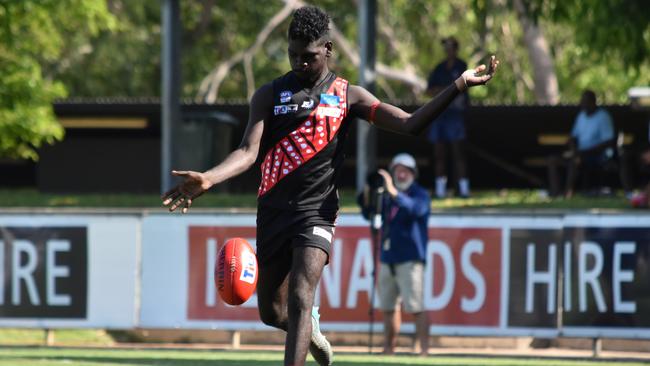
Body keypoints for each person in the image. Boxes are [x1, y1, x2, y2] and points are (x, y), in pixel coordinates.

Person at [162, 6, 499, 366]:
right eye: (293, 55)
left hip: (316, 213)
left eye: (308, 56)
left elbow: (410, 124)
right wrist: (210, 178)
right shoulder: (269, 95)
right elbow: (247, 152)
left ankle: (305, 325)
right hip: (273, 212)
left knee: (301, 297)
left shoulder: (348, 96)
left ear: (328, 49)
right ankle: (312, 329)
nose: (299, 63)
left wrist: (459, 85)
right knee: (273, 313)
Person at [358, 153, 430, 356]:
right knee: (388, 307)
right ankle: (389, 348)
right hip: (387, 257)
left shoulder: (420, 194)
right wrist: (369, 192)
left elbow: (416, 210)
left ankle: (423, 350)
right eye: (397, 170)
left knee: (416, 306)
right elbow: (368, 213)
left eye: (405, 170)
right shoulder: (386, 196)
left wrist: (393, 192)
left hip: (410, 258)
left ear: (413, 173)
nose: (401, 174)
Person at [549, 90, 622, 198]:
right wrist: (574, 150)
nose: (583, 104)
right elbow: (573, 137)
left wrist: (583, 152)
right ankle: (555, 194)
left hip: (598, 155)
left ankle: (568, 193)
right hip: (579, 153)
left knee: (575, 161)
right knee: (553, 160)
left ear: (593, 102)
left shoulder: (603, 117)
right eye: (582, 101)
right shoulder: (581, 116)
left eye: (586, 102)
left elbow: (608, 141)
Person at [426, 36, 471, 199]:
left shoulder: (462, 66)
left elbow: (463, 87)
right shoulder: (439, 68)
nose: (448, 49)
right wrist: (448, 89)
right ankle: (440, 190)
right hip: (440, 115)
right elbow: (430, 90)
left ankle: (464, 189)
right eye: (446, 46)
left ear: (456, 48)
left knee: (458, 152)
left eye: (451, 46)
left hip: (456, 116)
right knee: (439, 153)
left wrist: (446, 90)